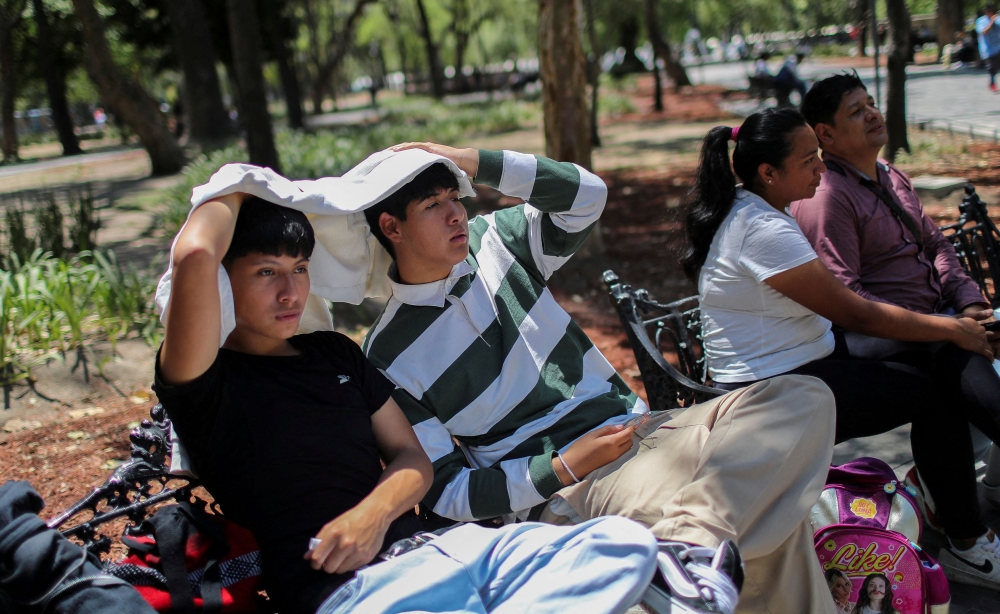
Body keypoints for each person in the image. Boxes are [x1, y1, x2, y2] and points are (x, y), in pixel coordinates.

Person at [361, 141, 840, 614]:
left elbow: (587, 196)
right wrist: (565, 465)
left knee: (804, 396)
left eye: (455, 198)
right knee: (772, 519)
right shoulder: (387, 354)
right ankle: (691, 550)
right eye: (432, 205)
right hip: (572, 488)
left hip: (647, 433)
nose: (455, 215)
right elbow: (447, 488)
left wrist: (470, 160)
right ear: (391, 227)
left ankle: (686, 546)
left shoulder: (496, 241)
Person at [152, 194, 660, 614]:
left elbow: (412, 459)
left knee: (622, 546)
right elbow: (195, 255)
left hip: (440, 552)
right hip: (350, 595)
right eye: (266, 272)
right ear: (224, 282)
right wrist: (240, 188)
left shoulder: (334, 353)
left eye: (300, 268)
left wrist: (372, 515)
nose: (290, 292)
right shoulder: (206, 384)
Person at [682, 107, 1000, 593]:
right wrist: (950, 327)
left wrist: (946, 330)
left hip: (809, 356)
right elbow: (855, 313)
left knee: (941, 349)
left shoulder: (757, 207)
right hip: (773, 393)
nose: (822, 168)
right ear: (769, 172)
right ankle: (967, 542)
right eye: (810, 159)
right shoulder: (762, 229)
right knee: (936, 386)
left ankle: (954, 513)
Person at [791, 73, 1000, 589]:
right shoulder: (827, 198)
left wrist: (970, 303)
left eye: (870, 104)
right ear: (828, 134)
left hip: (941, 329)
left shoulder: (888, 174)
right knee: (957, 382)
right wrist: (944, 330)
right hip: (894, 346)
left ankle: (968, 520)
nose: (872, 113)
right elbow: (850, 302)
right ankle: (966, 539)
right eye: (855, 111)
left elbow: (938, 248)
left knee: (963, 376)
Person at [975, 4, 1000, 93]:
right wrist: (991, 22)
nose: (990, 13)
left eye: (992, 11)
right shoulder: (981, 21)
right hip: (988, 49)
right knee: (992, 67)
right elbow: (984, 32)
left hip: (998, 46)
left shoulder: (998, 20)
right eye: (988, 11)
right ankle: (992, 82)